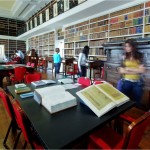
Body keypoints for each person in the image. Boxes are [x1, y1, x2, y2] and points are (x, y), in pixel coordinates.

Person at [117, 39, 145, 107]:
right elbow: (121, 70)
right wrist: (136, 70)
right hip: (126, 82)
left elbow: (142, 70)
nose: (126, 48)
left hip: (138, 83)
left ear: (133, 46)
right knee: (124, 103)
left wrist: (128, 69)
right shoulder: (124, 56)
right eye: (125, 46)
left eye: (128, 46)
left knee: (137, 103)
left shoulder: (140, 55)